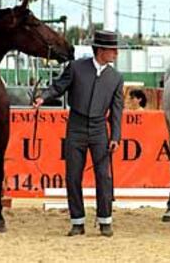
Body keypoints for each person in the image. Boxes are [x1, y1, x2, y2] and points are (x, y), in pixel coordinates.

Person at [33, 30, 124, 237]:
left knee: (104, 176)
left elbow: (117, 111)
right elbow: (58, 87)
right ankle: (77, 221)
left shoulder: (116, 78)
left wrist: (116, 137)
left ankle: (105, 220)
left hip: (100, 129)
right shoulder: (76, 68)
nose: (116, 54)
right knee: (73, 176)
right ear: (101, 50)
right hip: (76, 126)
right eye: (113, 50)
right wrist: (43, 97)